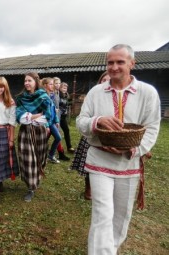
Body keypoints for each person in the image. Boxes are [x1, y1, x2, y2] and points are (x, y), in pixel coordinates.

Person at [76, 44, 161, 254]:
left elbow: (152, 128)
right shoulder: (96, 92)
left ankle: (109, 249)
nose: (114, 67)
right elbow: (80, 121)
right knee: (102, 214)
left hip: (129, 163)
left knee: (122, 216)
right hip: (99, 161)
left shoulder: (147, 93)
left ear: (132, 63)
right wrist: (98, 120)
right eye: (110, 62)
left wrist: (133, 150)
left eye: (120, 62)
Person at [70, 71, 111, 200]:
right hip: (92, 135)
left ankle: (104, 190)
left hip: (111, 138)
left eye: (109, 80)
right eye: (103, 80)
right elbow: (83, 117)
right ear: (100, 82)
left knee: (106, 165)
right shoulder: (93, 96)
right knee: (88, 164)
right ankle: (88, 189)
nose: (106, 82)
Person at [16, 72, 52, 202]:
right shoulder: (21, 98)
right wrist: (33, 116)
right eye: (25, 81)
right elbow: (19, 116)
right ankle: (31, 187)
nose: (26, 83)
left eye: (29, 80)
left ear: (35, 82)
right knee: (28, 159)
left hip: (39, 131)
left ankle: (37, 176)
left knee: (40, 157)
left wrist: (32, 117)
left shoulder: (43, 97)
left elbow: (47, 115)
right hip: (25, 132)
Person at [41, 77, 61, 164]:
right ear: (45, 85)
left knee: (57, 138)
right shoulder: (43, 97)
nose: (53, 86)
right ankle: (42, 156)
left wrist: (56, 120)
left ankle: (50, 155)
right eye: (51, 84)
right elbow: (44, 112)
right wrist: (47, 125)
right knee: (43, 140)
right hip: (47, 123)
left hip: (52, 122)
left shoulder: (50, 95)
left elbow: (53, 109)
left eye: (53, 84)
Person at [53, 77, 70, 161]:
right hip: (52, 118)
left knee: (57, 136)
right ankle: (58, 153)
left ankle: (60, 153)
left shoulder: (58, 93)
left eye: (59, 83)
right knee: (57, 136)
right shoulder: (52, 93)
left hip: (57, 117)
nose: (58, 85)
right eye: (56, 83)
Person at [59, 82, 75, 153]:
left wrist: (71, 102)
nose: (65, 89)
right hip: (57, 116)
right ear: (60, 88)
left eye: (66, 88)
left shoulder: (66, 95)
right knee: (53, 132)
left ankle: (69, 147)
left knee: (66, 130)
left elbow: (67, 104)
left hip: (63, 117)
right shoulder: (58, 95)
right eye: (63, 88)